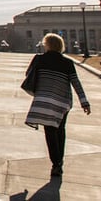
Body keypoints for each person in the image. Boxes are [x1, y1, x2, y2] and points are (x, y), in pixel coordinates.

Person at [24, 33, 91, 177]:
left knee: (50, 132)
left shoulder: (39, 59)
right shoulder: (67, 63)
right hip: (63, 102)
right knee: (60, 130)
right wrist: (84, 101)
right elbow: (76, 83)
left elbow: (28, 75)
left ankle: (56, 163)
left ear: (47, 44)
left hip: (44, 101)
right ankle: (59, 160)